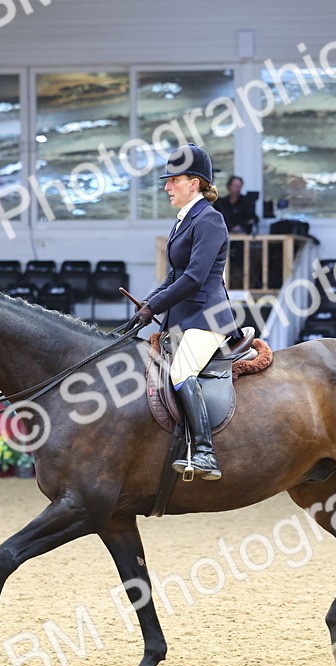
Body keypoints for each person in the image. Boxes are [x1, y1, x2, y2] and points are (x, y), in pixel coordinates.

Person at [137, 144, 239, 481]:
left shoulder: (209, 220)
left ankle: (206, 453)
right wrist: (145, 305)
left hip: (207, 317)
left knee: (181, 371)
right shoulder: (183, 221)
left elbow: (194, 278)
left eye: (174, 180)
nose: (167, 186)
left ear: (194, 183)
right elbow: (173, 276)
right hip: (184, 318)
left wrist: (156, 306)